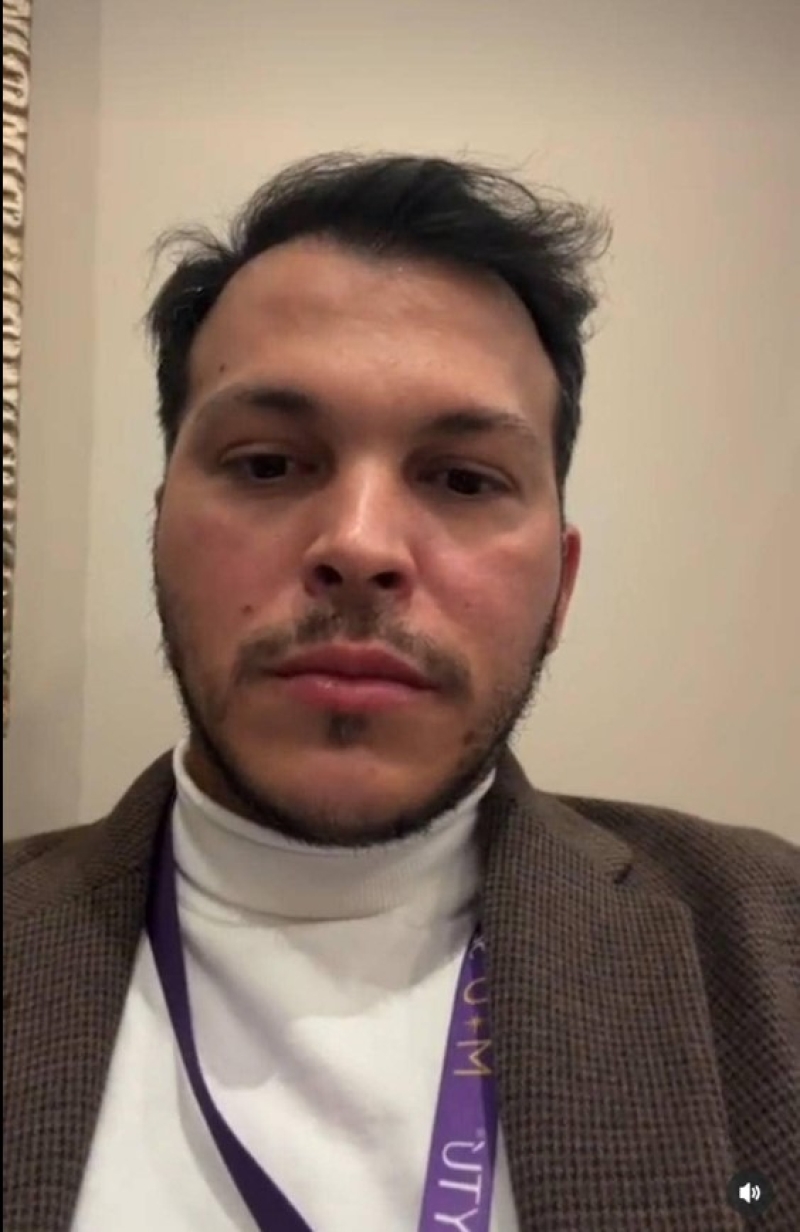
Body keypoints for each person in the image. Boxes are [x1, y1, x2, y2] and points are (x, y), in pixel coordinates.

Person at [4, 153, 798, 1232]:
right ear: (160, 536)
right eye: (267, 463)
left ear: (560, 586)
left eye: (463, 478)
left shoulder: (769, 951)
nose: (360, 545)